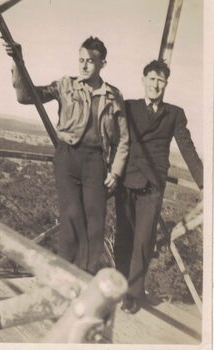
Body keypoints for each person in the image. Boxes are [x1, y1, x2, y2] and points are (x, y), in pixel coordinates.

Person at [4, 36, 129, 274]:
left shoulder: (113, 96)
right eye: (80, 60)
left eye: (90, 61)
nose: (83, 65)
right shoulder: (65, 85)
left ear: (103, 63)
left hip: (96, 163)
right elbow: (26, 96)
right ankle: (64, 273)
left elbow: (123, 138)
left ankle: (85, 276)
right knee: (71, 218)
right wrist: (18, 62)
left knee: (95, 222)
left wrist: (116, 170)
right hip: (68, 158)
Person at [114, 59, 203, 314]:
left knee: (143, 241)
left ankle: (132, 295)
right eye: (151, 78)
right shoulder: (128, 107)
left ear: (166, 84)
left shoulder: (174, 113)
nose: (155, 84)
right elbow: (110, 135)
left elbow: (187, 148)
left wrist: (204, 182)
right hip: (126, 181)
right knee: (124, 238)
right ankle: (121, 288)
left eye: (160, 80)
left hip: (152, 186)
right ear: (143, 80)